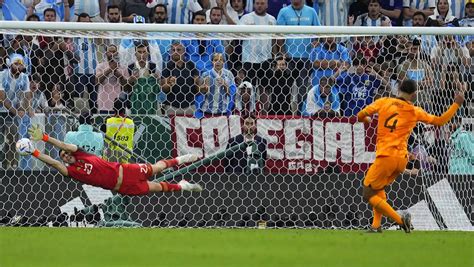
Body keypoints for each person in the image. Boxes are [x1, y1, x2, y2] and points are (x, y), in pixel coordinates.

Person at [357, 79, 465, 233]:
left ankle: (401, 221)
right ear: (414, 94)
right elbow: (440, 121)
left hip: (386, 156)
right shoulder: (415, 111)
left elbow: (361, 114)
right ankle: (376, 225)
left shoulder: (384, 101)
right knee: (378, 188)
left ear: (399, 88)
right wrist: (456, 104)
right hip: (402, 159)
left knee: (368, 193)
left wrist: (366, 120)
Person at [26, 124, 203, 196]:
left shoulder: (81, 153)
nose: (64, 155)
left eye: (64, 152)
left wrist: (44, 137)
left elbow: (64, 144)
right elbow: (53, 163)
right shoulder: (71, 172)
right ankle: (183, 186)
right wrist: (34, 152)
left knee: (156, 169)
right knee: (157, 187)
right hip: (124, 187)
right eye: (63, 156)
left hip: (127, 170)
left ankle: (182, 158)